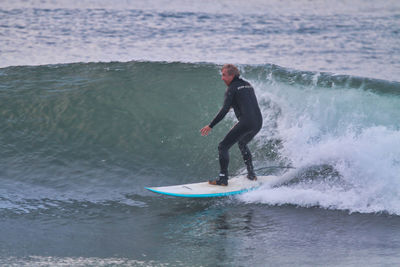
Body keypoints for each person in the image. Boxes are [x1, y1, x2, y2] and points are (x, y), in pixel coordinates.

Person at [200, 64, 263, 186]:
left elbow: (224, 110)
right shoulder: (248, 85)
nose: (222, 78)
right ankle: (251, 174)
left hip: (246, 122)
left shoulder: (232, 88)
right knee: (242, 143)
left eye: (224, 75)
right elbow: (244, 102)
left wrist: (210, 125)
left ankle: (223, 179)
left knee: (223, 146)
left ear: (232, 75)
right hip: (258, 122)